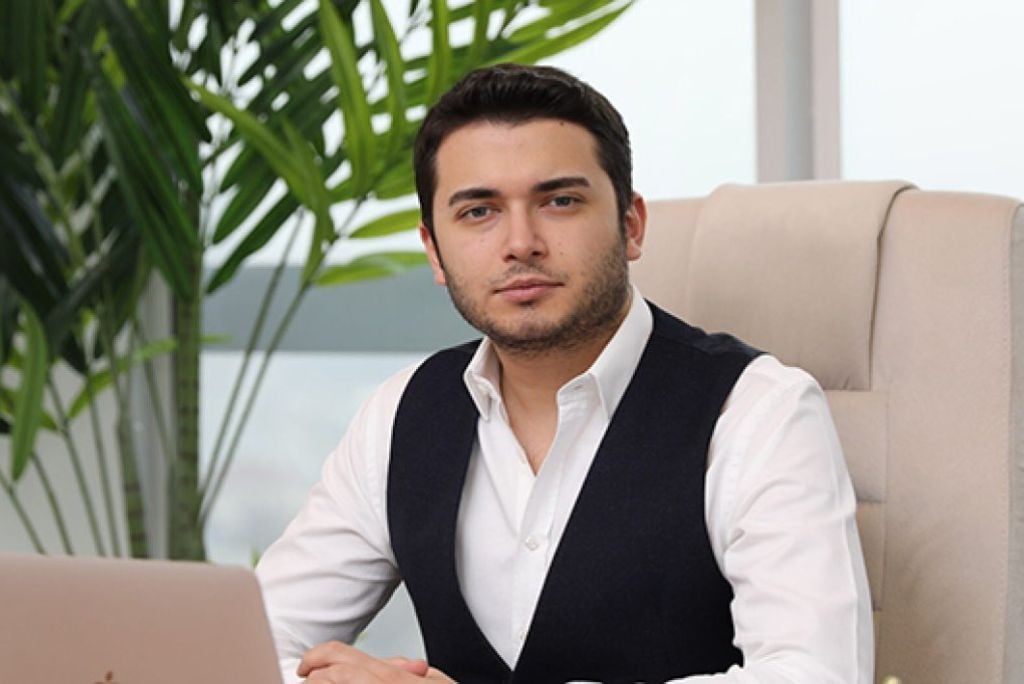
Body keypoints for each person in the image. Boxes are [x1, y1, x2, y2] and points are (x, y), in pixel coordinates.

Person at [255, 63, 873, 683]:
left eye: (559, 201)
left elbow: (815, 673)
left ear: (631, 225)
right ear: (433, 251)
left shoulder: (759, 412)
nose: (520, 242)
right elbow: (246, 643)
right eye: (479, 212)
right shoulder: (399, 417)